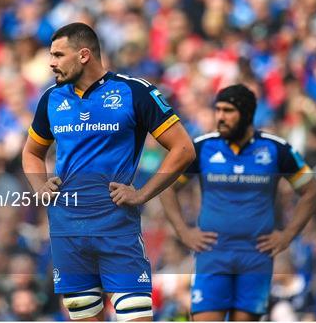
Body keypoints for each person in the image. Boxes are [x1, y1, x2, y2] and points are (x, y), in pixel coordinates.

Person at [22, 22, 194, 321]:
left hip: (116, 227)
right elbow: (31, 152)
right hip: (68, 230)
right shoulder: (52, 98)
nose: (51, 63)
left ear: (84, 55)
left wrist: (142, 194)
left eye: (58, 55)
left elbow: (183, 149)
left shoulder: (134, 91)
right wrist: (39, 187)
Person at [159, 84, 316, 321]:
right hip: (212, 253)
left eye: (228, 111)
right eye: (218, 110)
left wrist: (287, 235)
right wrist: (184, 232)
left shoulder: (276, 149)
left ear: (246, 114)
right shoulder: (202, 147)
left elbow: (311, 191)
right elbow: (167, 187)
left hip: (256, 255)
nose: (220, 117)